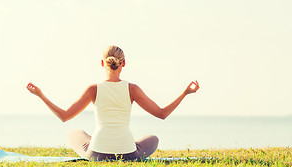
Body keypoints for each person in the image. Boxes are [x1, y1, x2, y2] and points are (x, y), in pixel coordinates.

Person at [26, 45, 199, 161]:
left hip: (97, 154)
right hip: (129, 154)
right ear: (124, 63)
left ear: (102, 63)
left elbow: (64, 117)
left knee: (74, 133)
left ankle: (100, 141)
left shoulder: (93, 89)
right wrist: (185, 93)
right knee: (153, 139)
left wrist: (40, 95)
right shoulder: (132, 89)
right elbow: (162, 114)